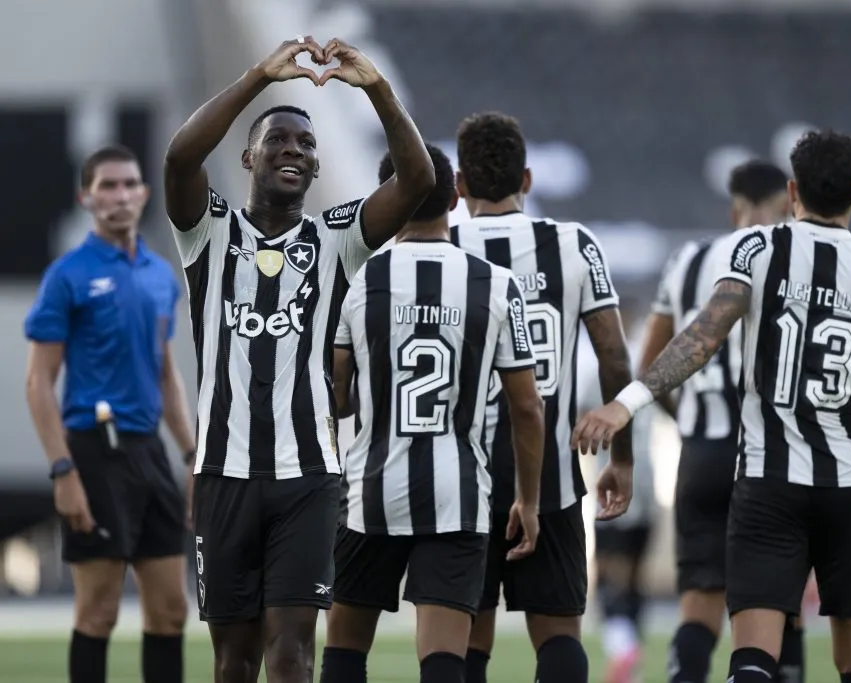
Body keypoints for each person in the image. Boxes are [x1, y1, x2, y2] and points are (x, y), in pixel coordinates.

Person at [572, 130, 851, 683]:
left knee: (754, 659)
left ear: (793, 190)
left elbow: (700, 338)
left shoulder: (758, 249)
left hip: (768, 484)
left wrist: (625, 404)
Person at [162, 35, 434, 683]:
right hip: (223, 475)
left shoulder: (336, 237)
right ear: (249, 155)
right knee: (234, 660)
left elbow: (418, 179)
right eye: (278, 140)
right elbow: (179, 156)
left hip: (308, 477)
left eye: (307, 146)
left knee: (292, 655)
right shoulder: (208, 228)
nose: (294, 150)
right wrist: (260, 76)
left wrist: (377, 89)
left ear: (315, 171)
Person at [319, 143, 545, 683]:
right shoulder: (496, 284)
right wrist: (529, 500)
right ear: (455, 196)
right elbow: (527, 408)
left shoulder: (359, 280)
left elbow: (338, 397)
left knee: (345, 651)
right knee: (444, 660)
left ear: (386, 199)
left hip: (370, 491)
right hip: (457, 493)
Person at [449, 111, 635, 683]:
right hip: (552, 478)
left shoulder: (443, 246)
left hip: (462, 478)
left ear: (459, 185)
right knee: (559, 637)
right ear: (526, 180)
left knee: (465, 642)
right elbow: (614, 356)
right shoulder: (572, 244)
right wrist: (621, 460)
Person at [24, 144, 196, 683]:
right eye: (108, 186)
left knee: (170, 612)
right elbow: (38, 383)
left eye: (129, 184)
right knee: (97, 612)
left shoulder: (160, 275)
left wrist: (192, 455)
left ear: (144, 193)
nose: (120, 195)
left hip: (150, 455)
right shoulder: (68, 276)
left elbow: (166, 375)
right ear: (87, 197)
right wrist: (62, 471)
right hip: (94, 453)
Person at [640, 160, 806, 683]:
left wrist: (687, 417)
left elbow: (653, 364)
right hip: (766, 457)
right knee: (778, 611)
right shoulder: (792, 258)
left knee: (698, 608)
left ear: (734, 208)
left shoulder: (688, 259)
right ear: (788, 206)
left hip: (701, 453)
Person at [578, 299, 658, 683]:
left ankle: (624, 651)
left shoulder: (603, 367)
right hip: (648, 484)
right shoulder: (650, 363)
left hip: (615, 482)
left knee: (609, 576)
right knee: (633, 579)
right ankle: (633, 661)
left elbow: (578, 419)